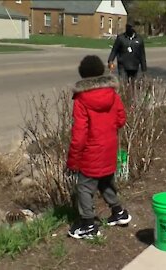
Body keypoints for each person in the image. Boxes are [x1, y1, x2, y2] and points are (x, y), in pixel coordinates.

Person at [67, 55, 131, 239]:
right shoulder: (113, 94)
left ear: (83, 75)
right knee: (105, 181)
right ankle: (119, 212)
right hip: (109, 147)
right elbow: (121, 119)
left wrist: (73, 161)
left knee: (85, 188)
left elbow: (79, 135)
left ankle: (88, 224)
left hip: (91, 152)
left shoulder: (81, 100)